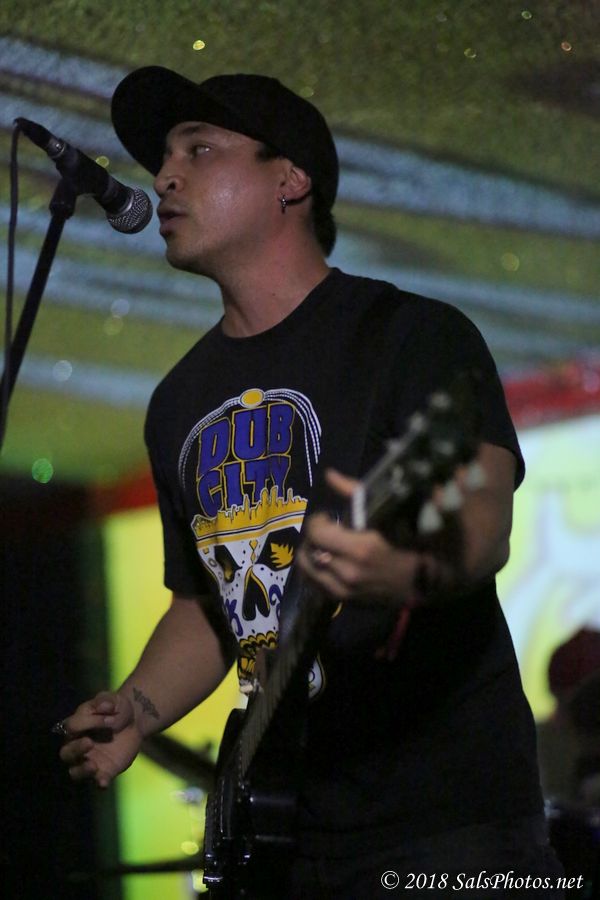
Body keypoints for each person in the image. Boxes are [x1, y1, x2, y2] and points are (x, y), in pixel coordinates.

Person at [57, 67, 565, 898]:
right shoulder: (177, 401)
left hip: (446, 826)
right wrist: (138, 709)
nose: (166, 176)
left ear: (290, 179)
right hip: (285, 833)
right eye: (164, 159)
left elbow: (481, 515)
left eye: (199, 150)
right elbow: (207, 606)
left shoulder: (412, 336)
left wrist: (408, 569)